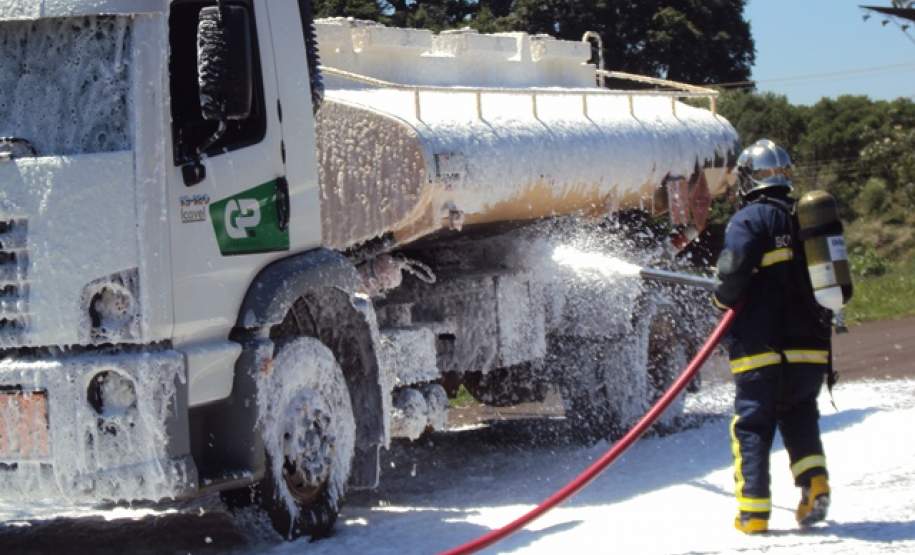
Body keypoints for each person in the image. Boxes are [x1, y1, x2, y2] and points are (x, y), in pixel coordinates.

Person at [712, 139, 834, 534]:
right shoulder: (808, 219)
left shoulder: (749, 220)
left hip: (759, 349)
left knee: (752, 425)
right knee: (799, 414)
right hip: (810, 348)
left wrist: (720, 298)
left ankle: (753, 514)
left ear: (747, 178)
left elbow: (732, 275)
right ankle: (814, 482)